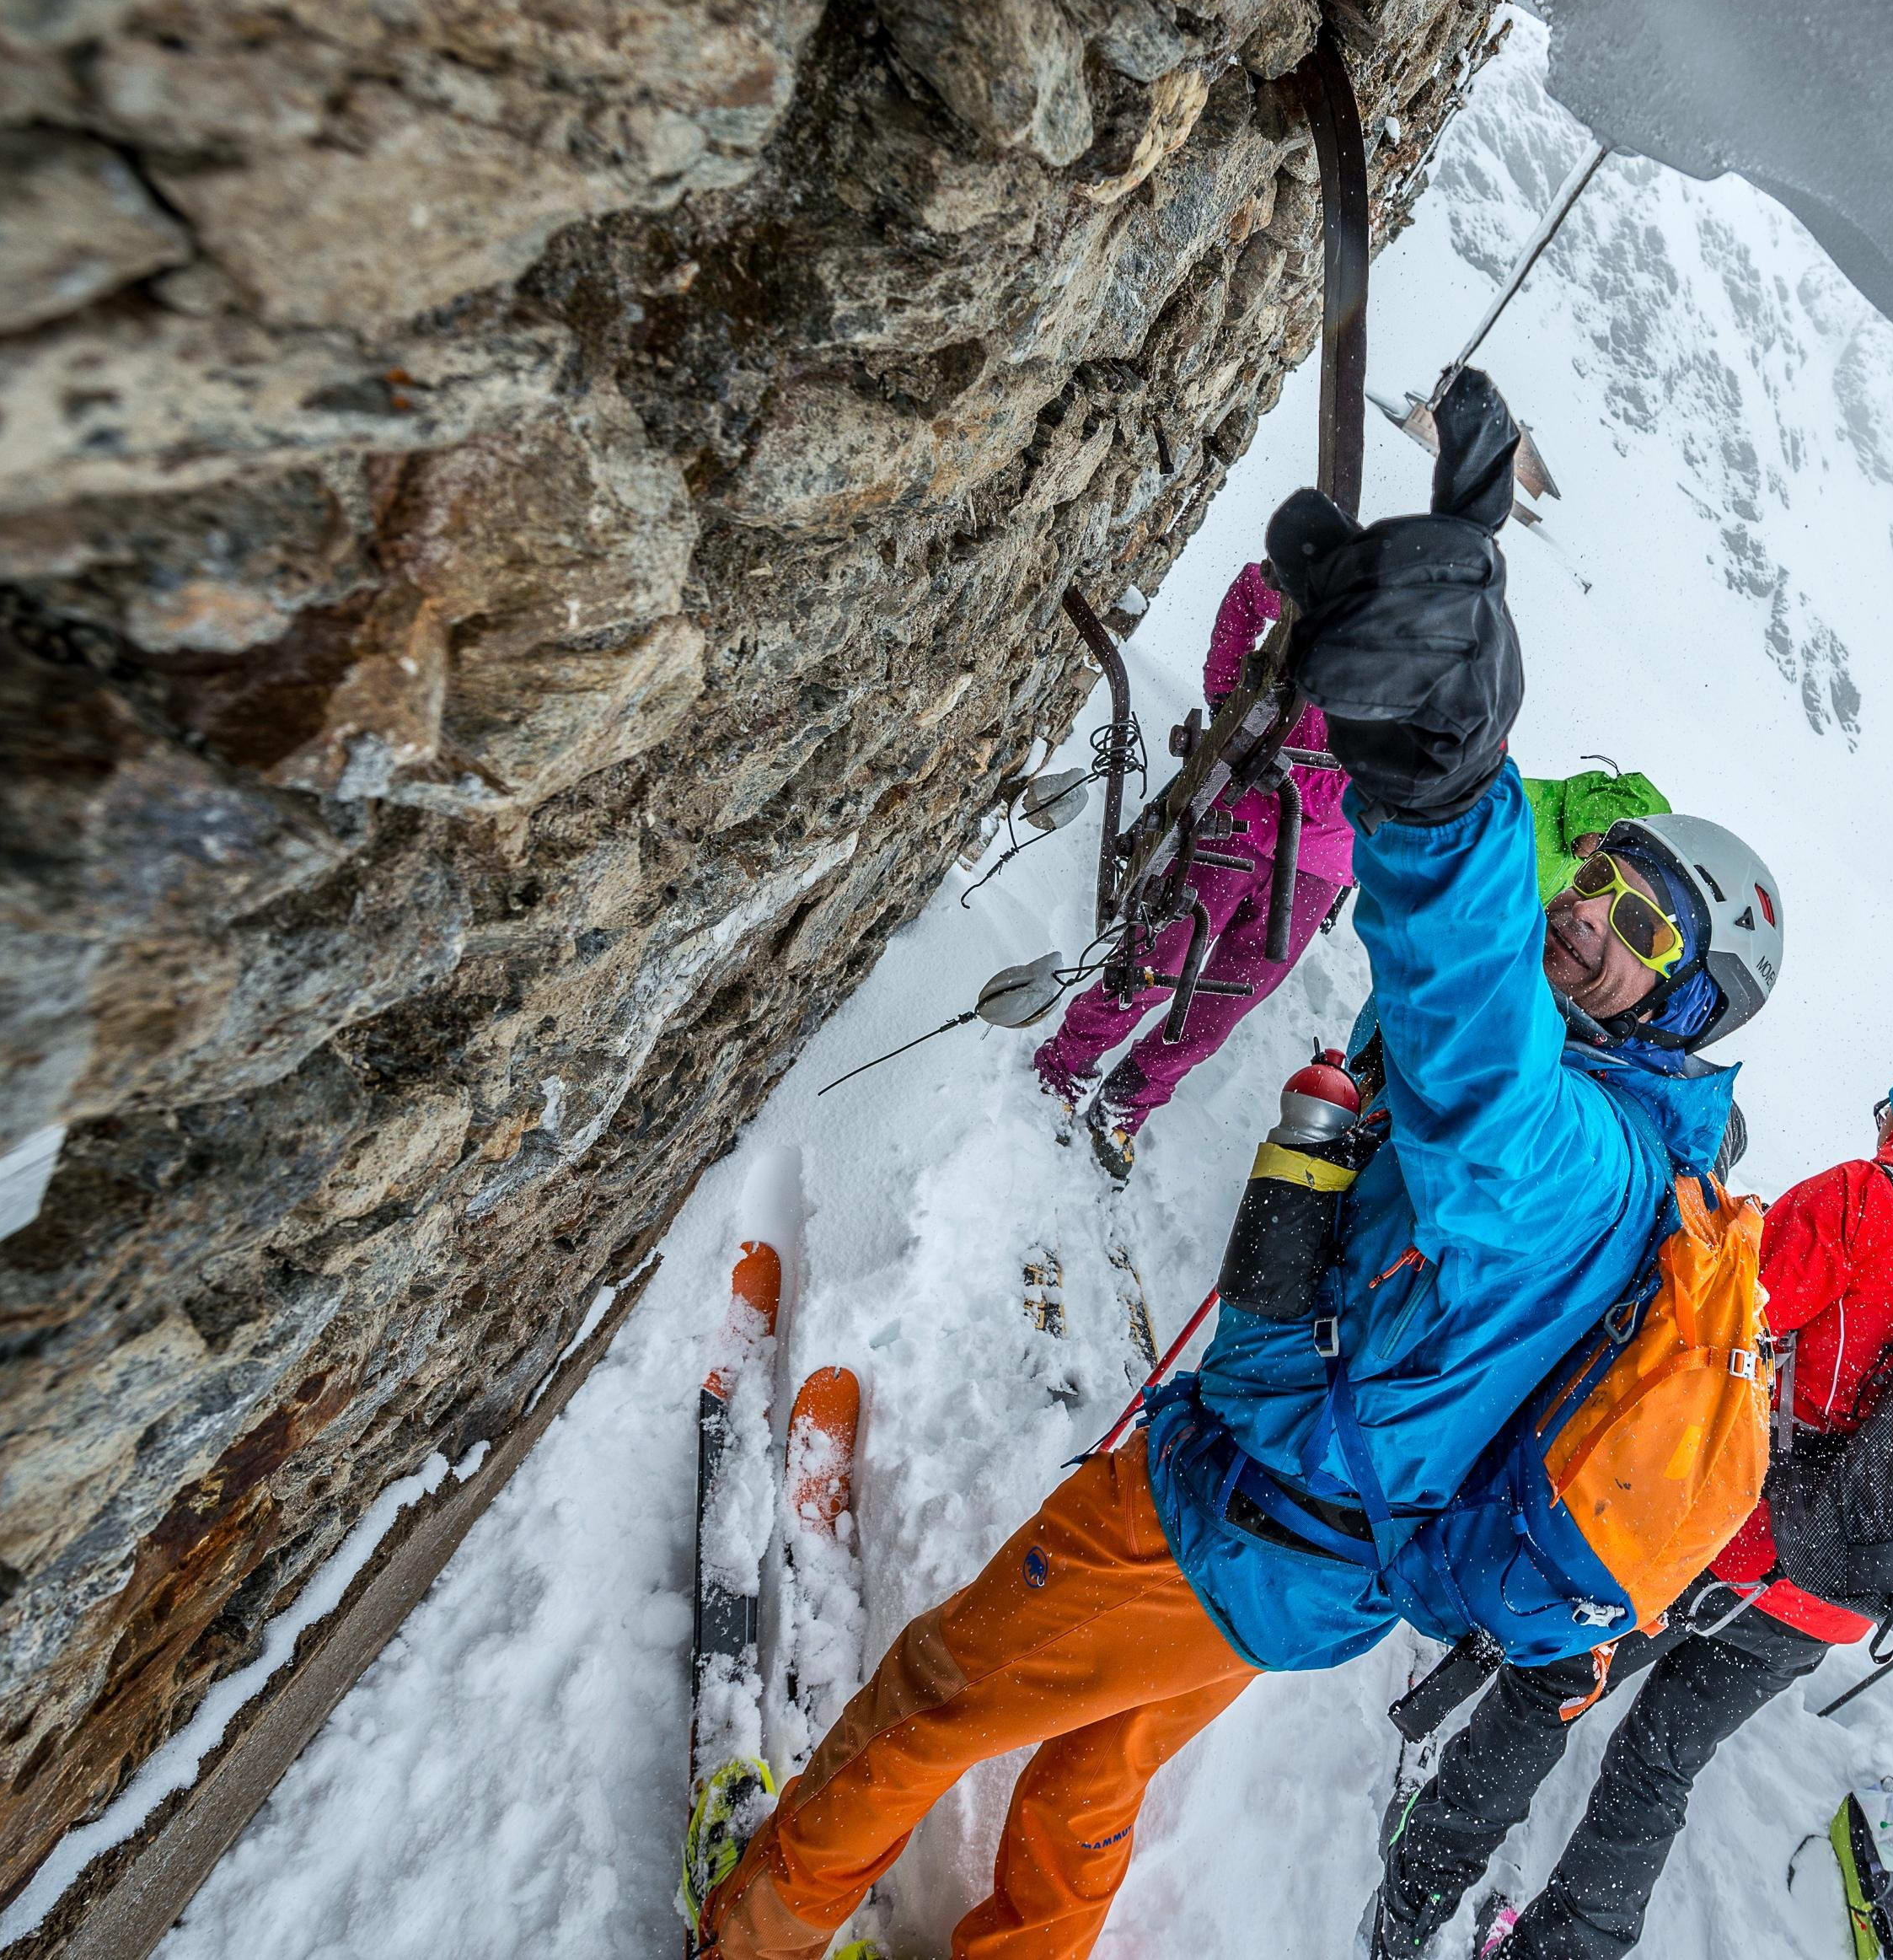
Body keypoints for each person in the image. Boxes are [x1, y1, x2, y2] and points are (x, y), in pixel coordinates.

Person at [698, 368, 1789, 1960]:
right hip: (1312, 1565)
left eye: (1641, 936)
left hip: (1228, 1509)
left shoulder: (1581, 1157)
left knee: (941, 1696)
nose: (1591, 919)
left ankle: (752, 1934)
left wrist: (1442, 784)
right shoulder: (1644, 1158)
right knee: (1096, 1763)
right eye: (1602, 880)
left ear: (1687, 1007)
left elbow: (1479, 1050)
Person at [1363, 1045, 1893, 1960]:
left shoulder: (1863, 1197)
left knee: (1546, 1693)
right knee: (1656, 1769)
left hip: (1711, 1541)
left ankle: (1413, 1899)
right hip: (1836, 1594)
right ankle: (1562, 1949)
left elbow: (1712, 1326)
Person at [1034, 559, 1356, 1179]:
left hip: (1321, 870)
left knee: (1215, 1015)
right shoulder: (1330, 603)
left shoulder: (1437, 683)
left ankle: (1126, 1104)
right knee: (1158, 966)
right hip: (1244, 818)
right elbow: (1250, 591)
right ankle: (1066, 1064)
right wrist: (1226, 691)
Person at [1520, 762, 1670, 903]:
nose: (1602, 852)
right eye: (1606, 839)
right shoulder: (1528, 803)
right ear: (1600, 811)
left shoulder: (1578, 865)